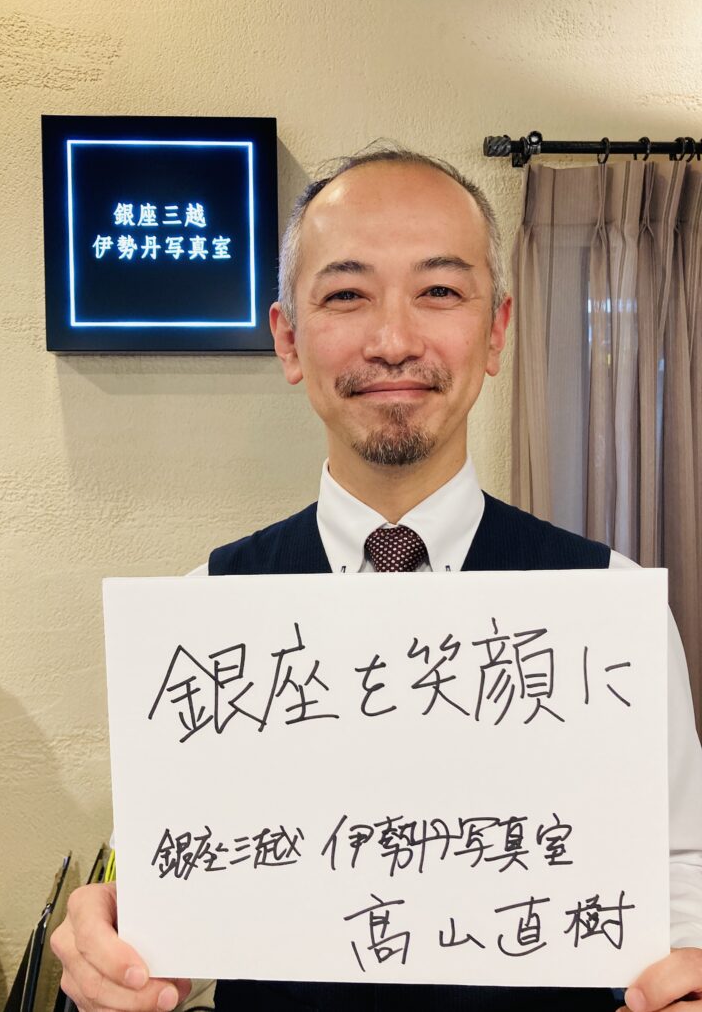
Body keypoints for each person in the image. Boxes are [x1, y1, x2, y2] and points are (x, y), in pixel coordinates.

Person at [51, 148, 702, 1012]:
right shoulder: (206, 615)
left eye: (440, 290)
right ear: (289, 338)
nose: (394, 341)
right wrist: (114, 959)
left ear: (497, 331)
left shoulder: (610, 607)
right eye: (347, 294)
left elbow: (678, 870)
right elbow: (163, 895)